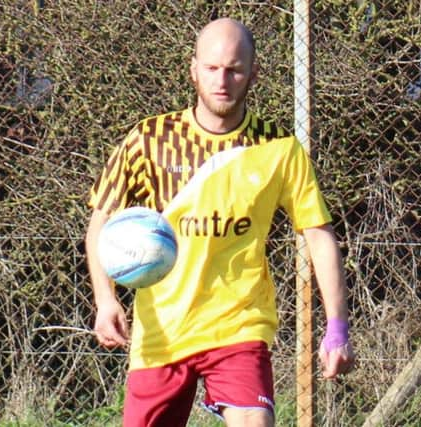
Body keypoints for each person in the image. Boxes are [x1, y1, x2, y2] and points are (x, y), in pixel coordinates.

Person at [85, 17, 355, 427]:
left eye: (235, 69)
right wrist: (105, 300)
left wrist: (336, 327)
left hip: (239, 327)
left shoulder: (278, 148)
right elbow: (100, 222)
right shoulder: (148, 139)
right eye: (212, 68)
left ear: (254, 74)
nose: (222, 80)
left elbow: (318, 234)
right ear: (193, 69)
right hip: (161, 332)